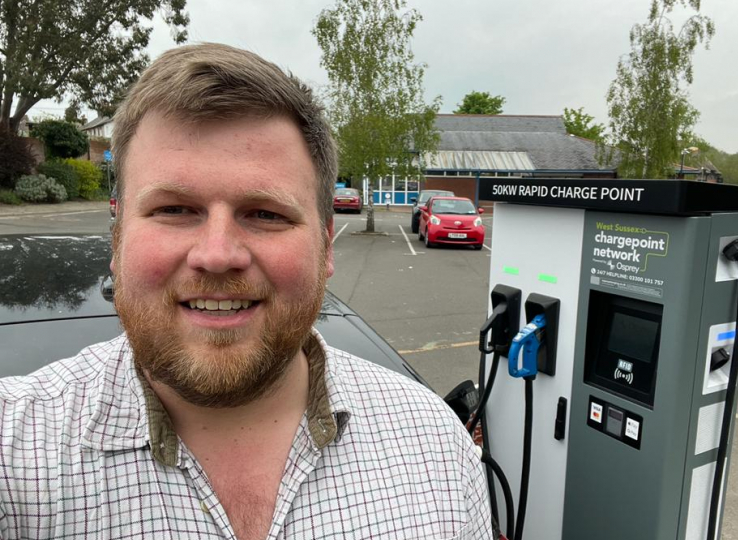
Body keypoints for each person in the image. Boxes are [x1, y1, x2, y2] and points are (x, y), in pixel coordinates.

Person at [0, 43, 491, 540]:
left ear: (325, 248)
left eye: (265, 214)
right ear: (117, 237)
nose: (216, 255)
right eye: (173, 209)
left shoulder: (436, 448)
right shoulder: (16, 455)